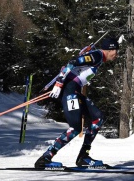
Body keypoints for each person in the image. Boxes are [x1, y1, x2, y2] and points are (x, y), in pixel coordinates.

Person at [35, 37, 119, 168]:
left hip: (75, 91)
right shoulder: (97, 56)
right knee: (75, 128)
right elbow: (72, 62)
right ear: (110, 49)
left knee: (97, 118)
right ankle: (45, 158)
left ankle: (83, 157)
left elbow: (80, 62)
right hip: (69, 91)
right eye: (116, 51)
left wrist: (85, 54)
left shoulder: (97, 57)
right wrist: (59, 83)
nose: (117, 55)